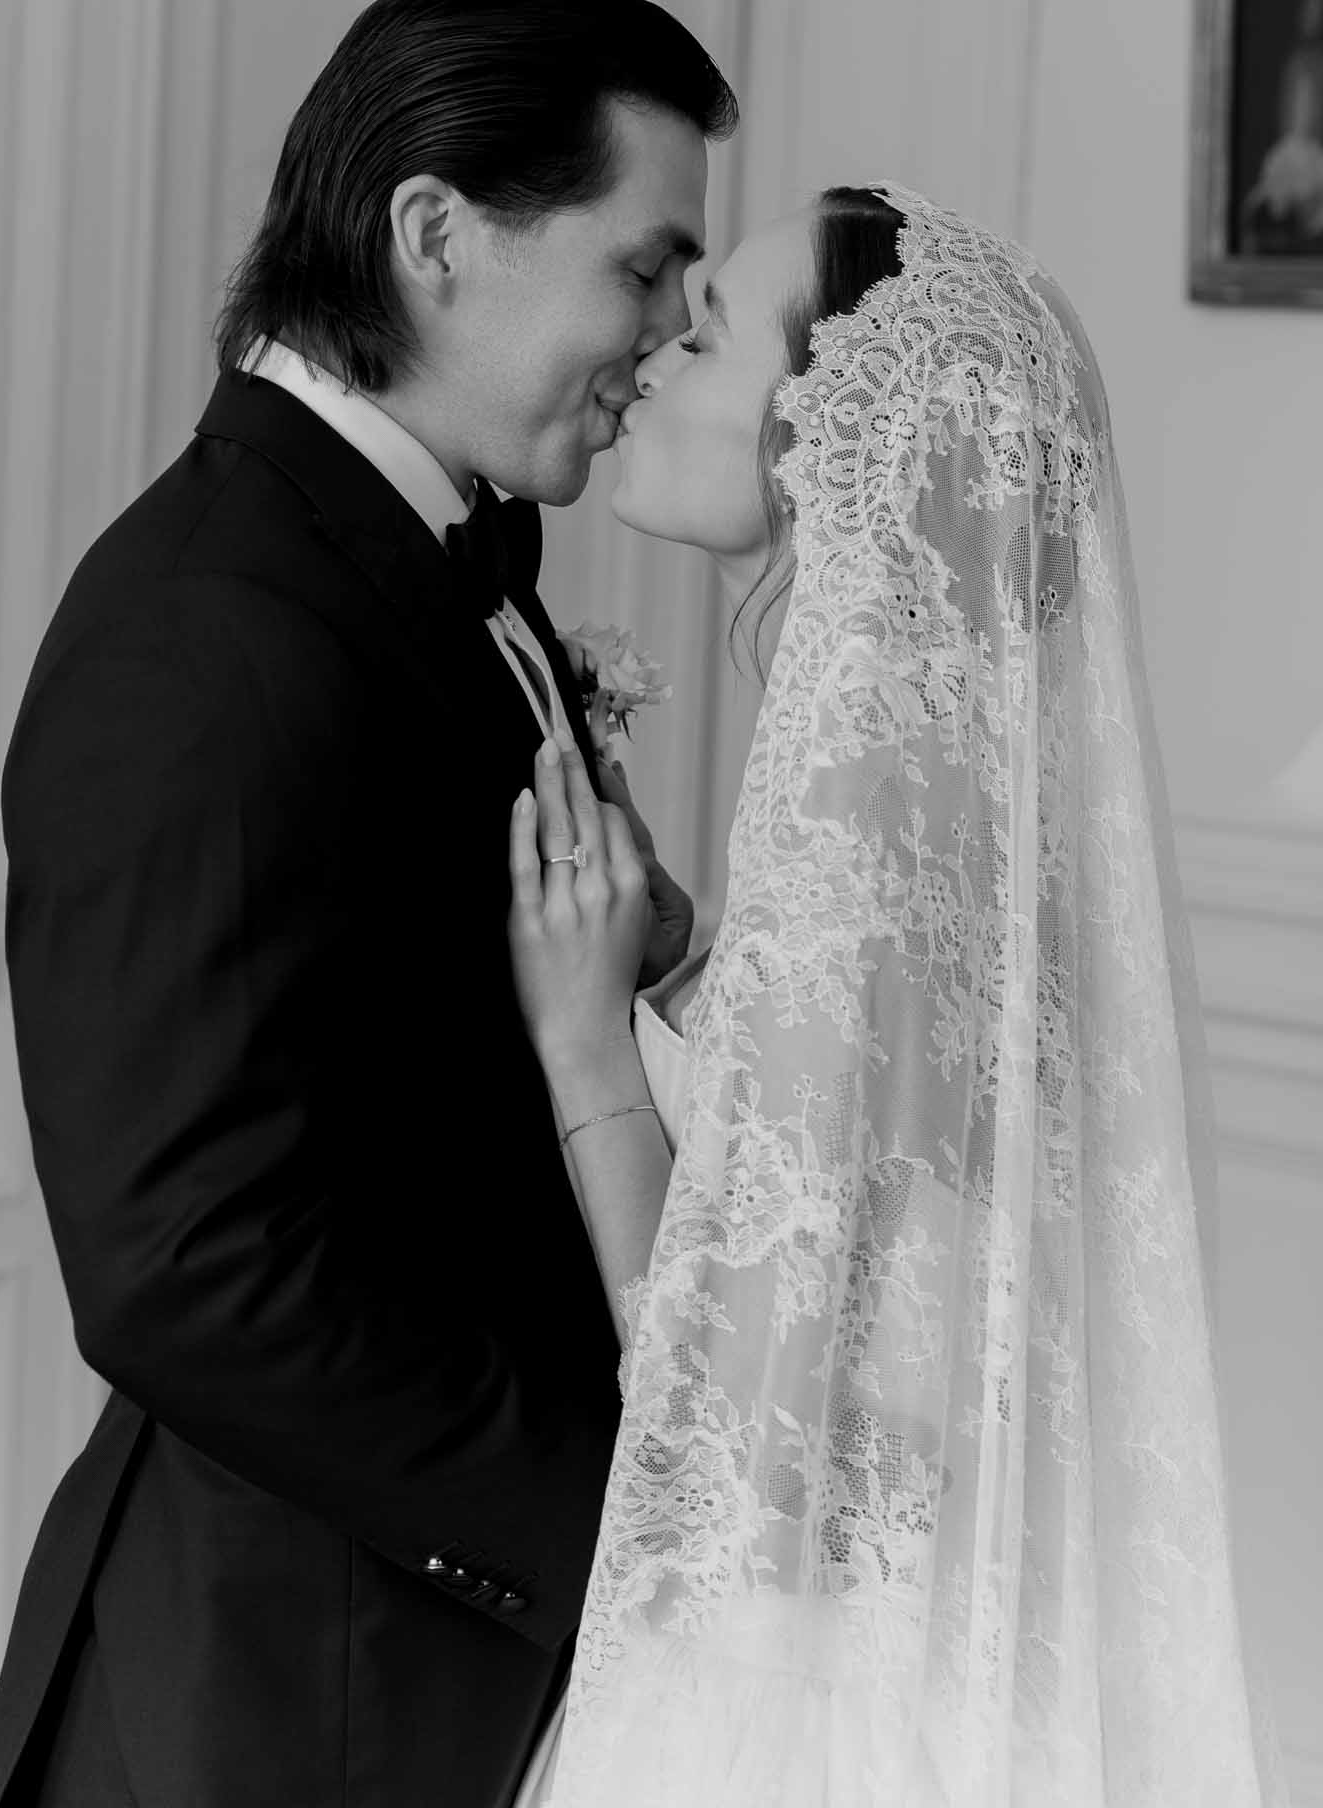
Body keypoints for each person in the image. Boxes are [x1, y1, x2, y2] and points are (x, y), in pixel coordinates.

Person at [0, 0, 734, 1808]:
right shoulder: (201, 629)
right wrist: (630, 1541)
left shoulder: (450, 545)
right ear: (434, 235)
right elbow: (186, 1270)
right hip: (296, 1690)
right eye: (642, 269)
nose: (667, 332)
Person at [507, 183, 1288, 1805]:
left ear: (840, 437)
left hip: (786, 1672)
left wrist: (590, 1045)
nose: (653, 351)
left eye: (706, 328)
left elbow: (742, 1418)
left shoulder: (875, 807)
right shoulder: (972, 803)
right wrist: (695, 970)